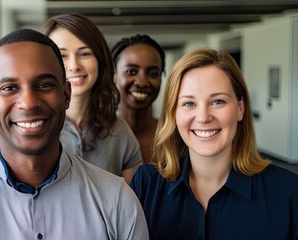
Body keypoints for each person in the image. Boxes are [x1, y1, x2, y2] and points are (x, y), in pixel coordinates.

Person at [0, 28, 148, 239]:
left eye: (44, 85)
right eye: (10, 87)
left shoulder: (116, 201)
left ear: (66, 95)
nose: (29, 103)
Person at [130, 48, 298, 239]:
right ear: (173, 113)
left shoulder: (288, 193)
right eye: (189, 103)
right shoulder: (146, 185)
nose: (203, 117)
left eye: (217, 101)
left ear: (240, 108)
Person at [42, 13, 142, 183]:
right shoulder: (25, 126)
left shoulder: (120, 132)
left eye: (85, 53)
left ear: (99, 59)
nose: (74, 66)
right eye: (62, 56)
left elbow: (134, 204)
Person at [111, 34, 166, 163]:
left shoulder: (174, 136)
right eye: (131, 71)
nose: (142, 82)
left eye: (153, 74)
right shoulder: (98, 138)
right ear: (113, 75)